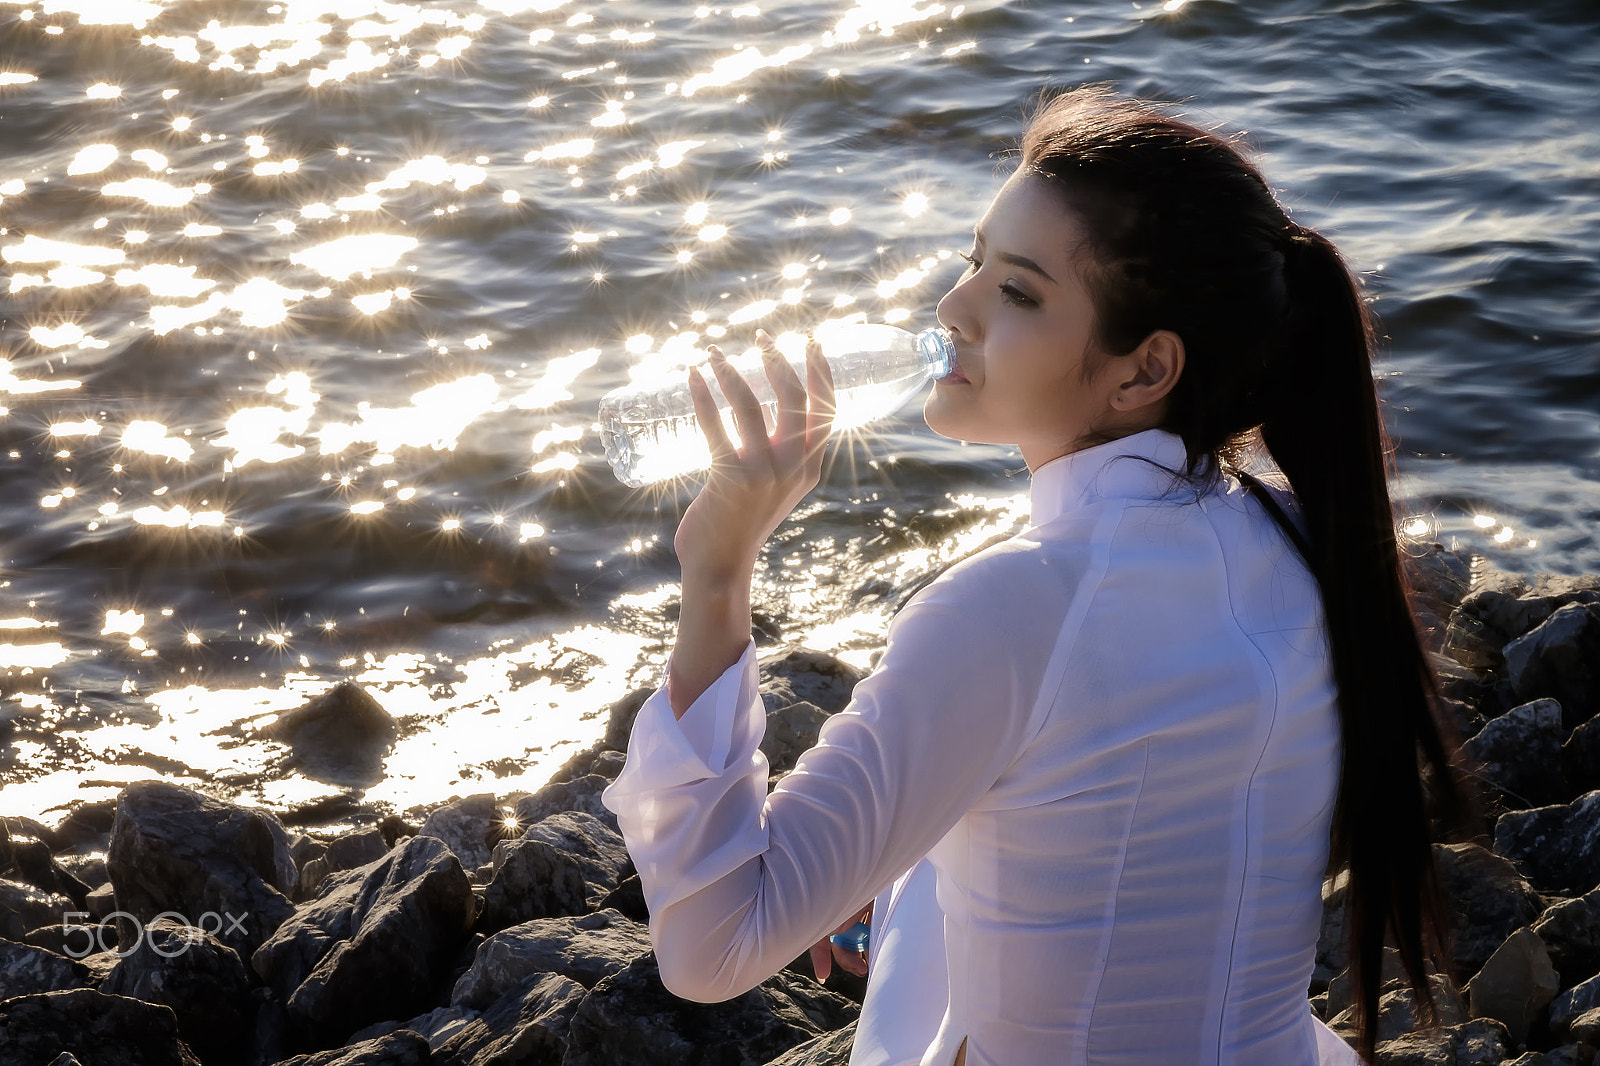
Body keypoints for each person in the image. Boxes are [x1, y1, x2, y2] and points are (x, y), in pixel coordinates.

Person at [602, 86, 1461, 1065]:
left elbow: (711, 945)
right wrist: (887, 880)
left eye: (1016, 291)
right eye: (974, 262)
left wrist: (717, 574)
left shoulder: (1010, 607)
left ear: (1142, 372)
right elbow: (1125, 826)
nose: (951, 308)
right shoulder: (1295, 538)